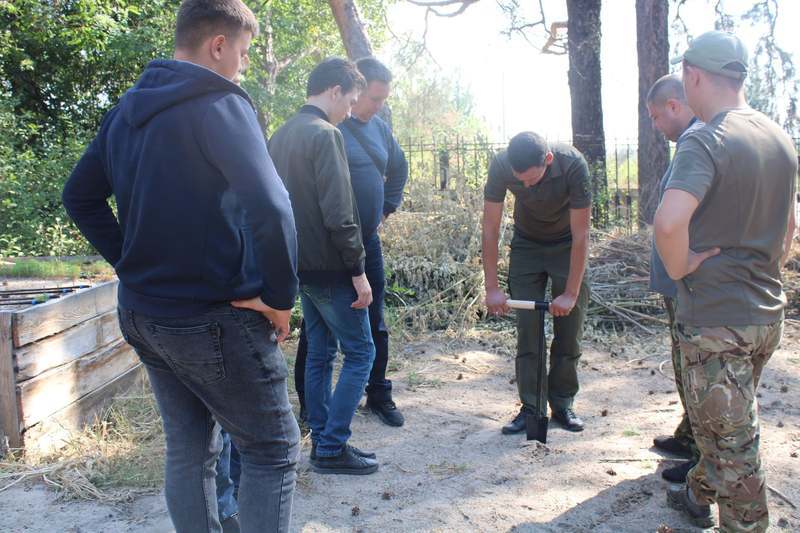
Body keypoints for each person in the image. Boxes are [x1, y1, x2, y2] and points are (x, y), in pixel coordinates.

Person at [61, 1, 301, 532]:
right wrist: (282, 298)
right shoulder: (219, 104)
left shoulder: (127, 110)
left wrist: (131, 262)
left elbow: (79, 196)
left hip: (144, 312)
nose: (240, 67)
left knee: (190, 452)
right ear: (218, 45)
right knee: (272, 452)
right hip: (211, 317)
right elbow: (273, 206)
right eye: (240, 53)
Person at [655, 30, 797, 531]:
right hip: (765, 317)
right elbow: (788, 234)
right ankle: (696, 492)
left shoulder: (706, 138)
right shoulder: (778, 137)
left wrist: (680, 267)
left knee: (737, 456)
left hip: (717, 322)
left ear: (693, 77)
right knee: (723, 432)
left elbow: (669, 224)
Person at [269, 58, 379, 475]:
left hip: (299, 267)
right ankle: (331, 446)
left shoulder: (280, 135)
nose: (351, 111)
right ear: (334, 91)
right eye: (350, 101)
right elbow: (339, 212)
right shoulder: (325, 134)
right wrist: (358, 270)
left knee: (318, 353)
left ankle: (320, 435)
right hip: (333, 269)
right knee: (360, 352)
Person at [294, 57, 409, 428]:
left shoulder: (379, 129)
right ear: (350, 91)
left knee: (375, 322)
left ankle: (378, 393)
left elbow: (399, 168)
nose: (377, 106)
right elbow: (328, 203)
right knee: (319, 334)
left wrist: (386, 208)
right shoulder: (326, 129)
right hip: (329, 246)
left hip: (366, 243)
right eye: (373, 98)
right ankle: (313, 410)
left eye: (382, 100)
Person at [483, 131, 592, 435]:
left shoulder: (573, 165)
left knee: (569, 329)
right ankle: (531, 407)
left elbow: (582, 234)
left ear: (548, 160)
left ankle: (562, 404)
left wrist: (570, 293)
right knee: (528, 332)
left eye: (532, 179)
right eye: (522, 182)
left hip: (568, 244)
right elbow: (490, 228)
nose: (527, 186)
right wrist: (491, 287)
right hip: (527, 245)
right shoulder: (502, 165)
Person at [645, 74, 704, 483]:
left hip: (687, 282)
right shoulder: (688, 144)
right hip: (675, 280)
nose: (655, 126)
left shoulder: (698, 143)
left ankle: (704, 453)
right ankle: (689, 436)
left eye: (655, 117)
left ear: (674, 106)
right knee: (682, 363)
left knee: (694, 367)